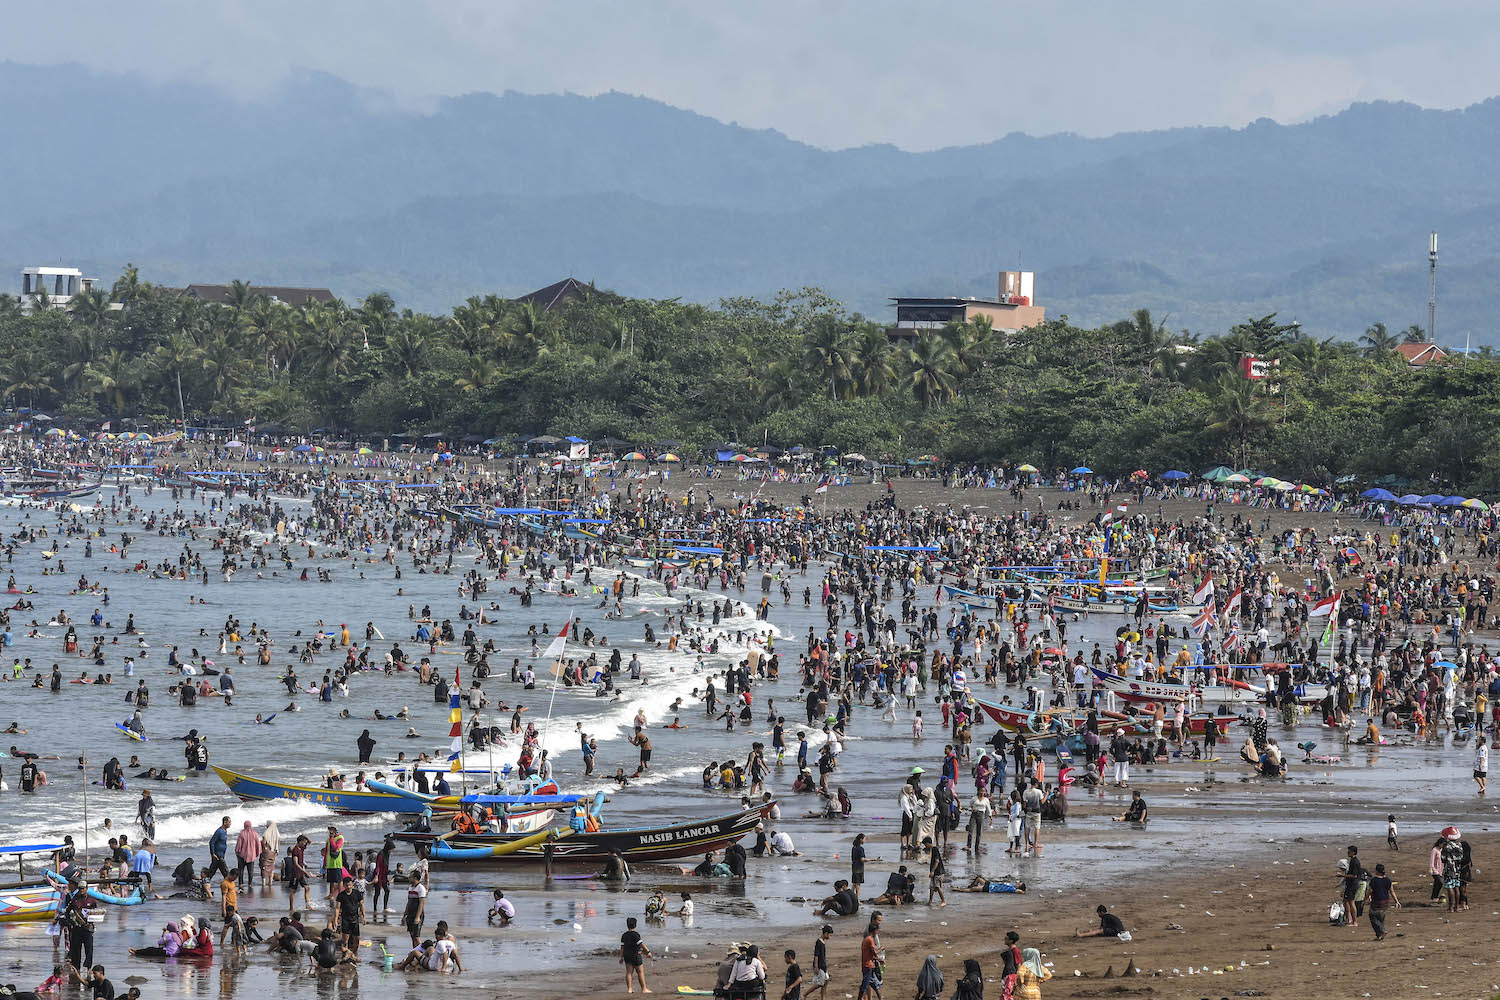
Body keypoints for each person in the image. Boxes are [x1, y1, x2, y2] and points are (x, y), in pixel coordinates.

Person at [1366, 862, 1398, 941]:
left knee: (1373, 917)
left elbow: (1369, 891)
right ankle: (1379, 935)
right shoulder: (1387, 880)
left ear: (1377, 871)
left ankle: (1382, 931)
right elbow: (1392, 891)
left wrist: (1364, 899)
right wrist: (1396, 901)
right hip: (1385, 902)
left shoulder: (1374, 880)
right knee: (1381, 918)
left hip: (1376, 902)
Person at [619, 916, 650, 994]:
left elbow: (622, 947)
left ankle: (629, 989)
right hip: (636, 955)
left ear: (627, 925)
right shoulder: (636, 935)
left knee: (629, 972)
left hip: (627, 956)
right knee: (640, 972)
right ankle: (644, 989)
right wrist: (648, 952)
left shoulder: (624, 935)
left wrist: (621, 957)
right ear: (635, 925)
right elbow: (641, 944)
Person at [334, 875, 364, 954]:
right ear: (344, 885)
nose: (348, 887)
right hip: (345, 919)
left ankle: (354, 954)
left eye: (350, 885)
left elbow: (361, 905)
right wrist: (336, 920)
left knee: (357, 939)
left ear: (352, 885)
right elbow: (337, 908)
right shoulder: (341, 895)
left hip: (355, 919)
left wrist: (364, 916)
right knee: (345, 939)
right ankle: (345, 955)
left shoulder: (357, 893)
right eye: (346, 885)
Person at [1337, 845, 1364, 927]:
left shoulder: (1355, 862)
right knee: (1345, 901)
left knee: (1351, 902)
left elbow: (1354, 875)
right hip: (1350, 884)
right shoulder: (1352, 861)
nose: (1348, 853)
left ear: (1353, 852)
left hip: (1353, 884)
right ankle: (1348, 919)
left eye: (1349, 851)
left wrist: (1342, 876)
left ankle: (1354, 922)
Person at [857, 919, 882, 1000]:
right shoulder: (870, 940)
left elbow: (871, 953)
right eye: (877, 931)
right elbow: (875, 952)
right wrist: (882, 948)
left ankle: (880, 998)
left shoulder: (866, 939)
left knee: (875, 984)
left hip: (868, 964)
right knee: (865, 985)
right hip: (868, 965)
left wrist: (879, 960)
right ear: (874, 931)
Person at [808, 925, 833, 1000]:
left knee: (826, 981)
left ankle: (823, 997)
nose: (830, 937)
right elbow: (816, 955)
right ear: (825, 933)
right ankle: (805, 994)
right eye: (830, 935)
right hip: (820, 965)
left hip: (823, 965)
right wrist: (816, 966)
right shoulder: (819, 942)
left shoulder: (822, 942)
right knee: (820, 983)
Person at [923, 836, 945, 906]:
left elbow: (937, 861)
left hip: (938, 872)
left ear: (928, 843)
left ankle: (943, 901)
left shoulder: (935, 849)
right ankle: (930, 901)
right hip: (935, 872)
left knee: (937, 886)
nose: (925, 846)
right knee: (932, 887)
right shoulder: (933, 849)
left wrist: (932, 871)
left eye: (925, 845)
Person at [955, 876, 1027, 893]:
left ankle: (960, 890)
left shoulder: (1013, 889)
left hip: (990, 889)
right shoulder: (1011, 885)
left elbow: (1020, 892)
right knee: (978, 878)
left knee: (973, 889)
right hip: (991, 884)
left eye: (1019, 884)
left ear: (1019, 887)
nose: (1017, 883)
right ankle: (968, 887)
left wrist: (1022, 891)